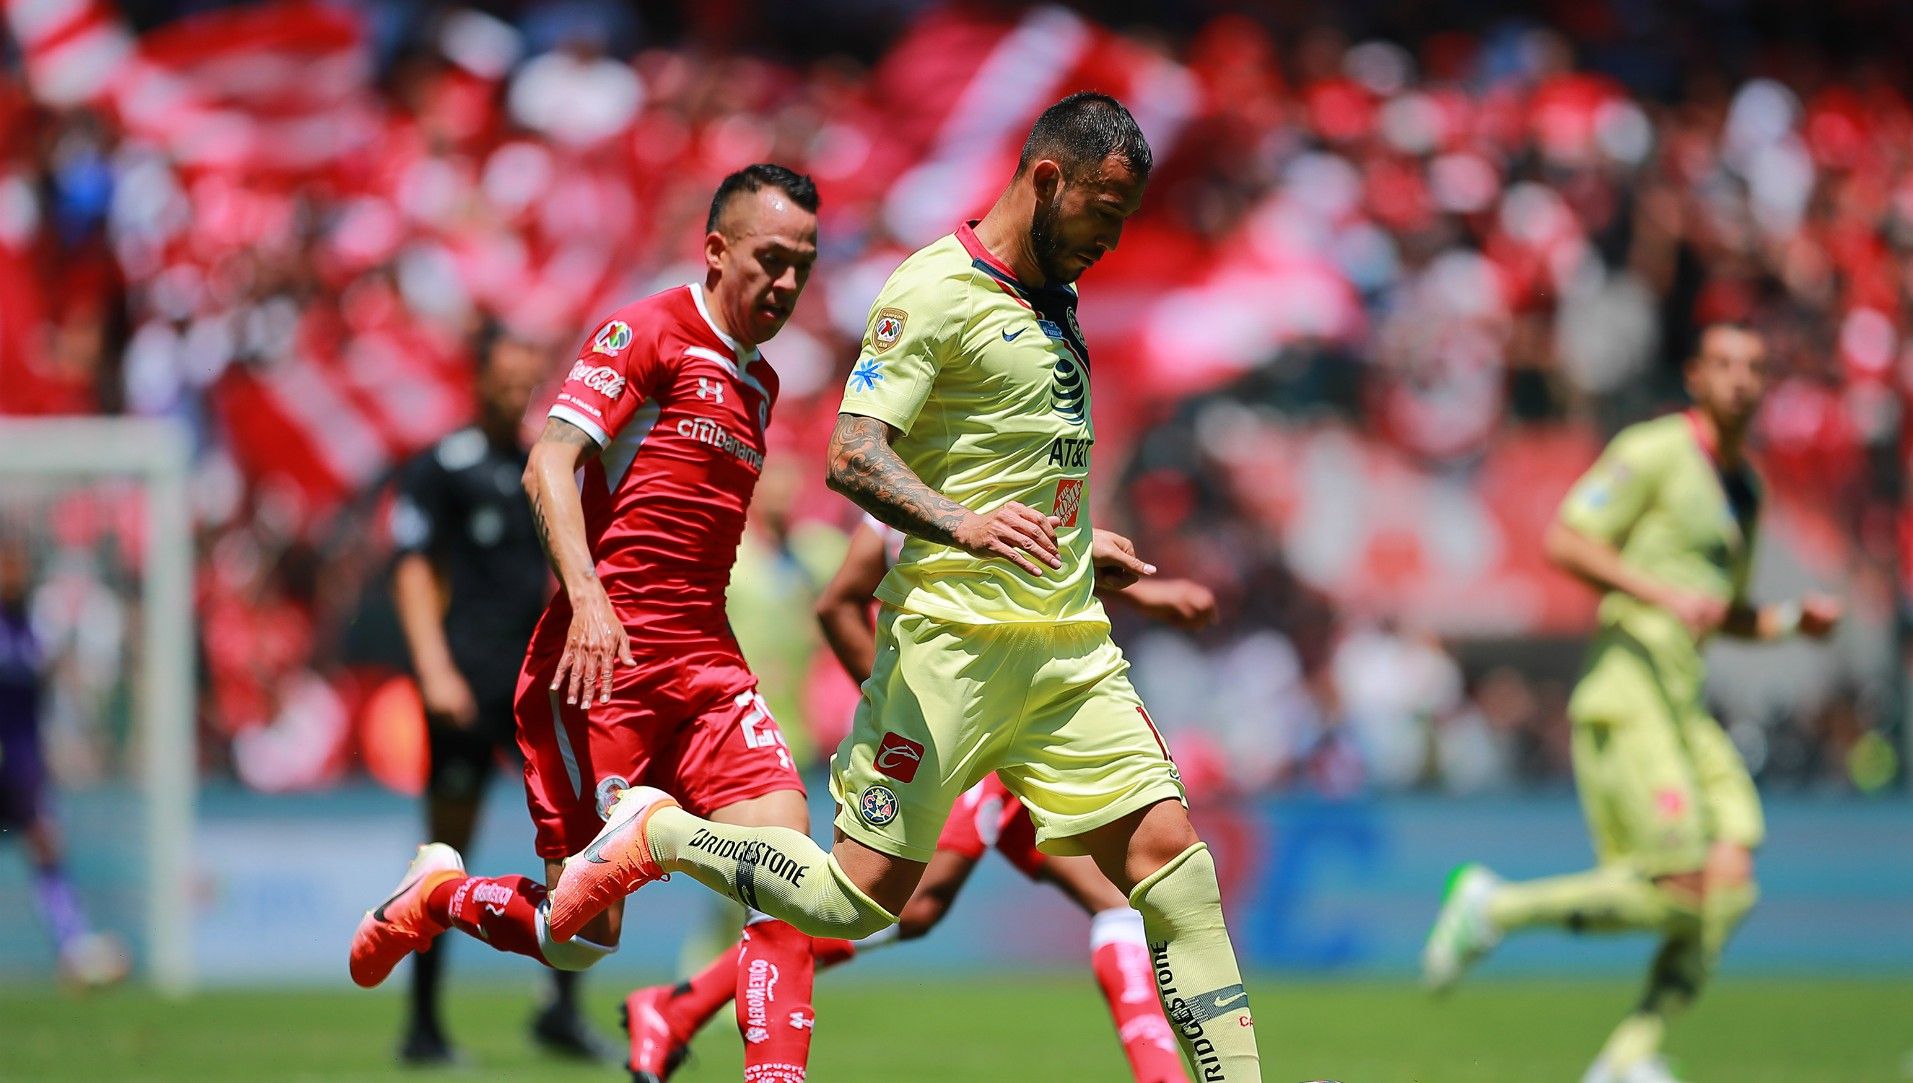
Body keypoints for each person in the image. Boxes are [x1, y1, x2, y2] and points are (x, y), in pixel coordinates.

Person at [545, 92, 1264, 1083]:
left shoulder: (1055, 298)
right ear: (1046, 178)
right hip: (951, 652)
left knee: (1175, 868)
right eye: (1104, 211)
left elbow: (1007, 468)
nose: (1112, 237)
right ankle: (658, 833)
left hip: (1066, 652)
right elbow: (852, 454)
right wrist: (963, 525)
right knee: (859, 901)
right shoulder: (933, 290)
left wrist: (1084, 551)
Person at [351, 163, 828, 1083]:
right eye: (771, 259)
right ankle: (440, 892)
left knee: (787, 873)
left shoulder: (761, 384)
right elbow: (549, 462)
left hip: (707, 668)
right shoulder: (645, 330)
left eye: (802, 266)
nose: (787, 282)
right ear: (717, 248)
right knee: (579, 937)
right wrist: (590, 595)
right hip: (602, 666)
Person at [621, 517, 1217, 1081]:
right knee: (897, 901)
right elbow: (838, 603)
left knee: (1114, 900)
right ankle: (678, 993)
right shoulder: (908, 495)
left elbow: (1032, 567)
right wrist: (902, 711)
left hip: (1026, 724)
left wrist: (1145, 596)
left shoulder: (997, 473)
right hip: (954, 725)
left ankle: (678, 1007)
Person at [1422, 322, 1842, 1083]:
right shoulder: (1654, 452)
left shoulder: (1747, 488)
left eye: (1754, 367)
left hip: (1685, 701)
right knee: (1679, 886)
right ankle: (1494, 907)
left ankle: (1625, 1059)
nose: (1740, 379)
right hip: (1630, 690)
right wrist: (1658, 592)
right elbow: (1566, 540)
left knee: (1730, 884)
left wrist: (1789, 622)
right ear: (1695, 376)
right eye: (1724, 364)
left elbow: (1718, 609)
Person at [386, 327, 606, 1063]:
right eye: (507, 379)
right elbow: (413, 570)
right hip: (466, 686)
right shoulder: (441, 467)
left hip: (535, 687)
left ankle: (561, 1010)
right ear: (478, 378)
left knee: (577, 842)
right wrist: (434, 669)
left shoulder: (540, 464)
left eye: (527, 380)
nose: (519, 393)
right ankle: (422, 1026)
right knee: (445, 851)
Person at [0, 535, 128, 988]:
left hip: (23, 765)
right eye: (6, 565)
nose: (13, 574)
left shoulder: (28, 625)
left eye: (16, 565)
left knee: (47, 845)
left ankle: (73, 947)